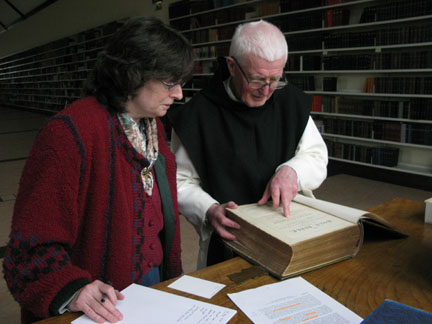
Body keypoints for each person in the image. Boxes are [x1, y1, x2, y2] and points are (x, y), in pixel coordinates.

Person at [3, 16, 194, 324]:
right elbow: (27, 253)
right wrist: (72, 289)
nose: (179, 94)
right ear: (134, 74)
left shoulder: (153, 126)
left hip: (153, 289)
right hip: (100, 306)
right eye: (170, 83)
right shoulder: (71, 132)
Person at [168, 20, 328, 269]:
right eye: (257, 80)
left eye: (275, 79)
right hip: (231, 240)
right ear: (232, 66)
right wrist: (209, 210)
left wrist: (292, 171)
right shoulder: (196, 116)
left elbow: (316, 155)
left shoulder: (289, 100)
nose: (266, 90)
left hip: (289, 231)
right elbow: (179, 182)